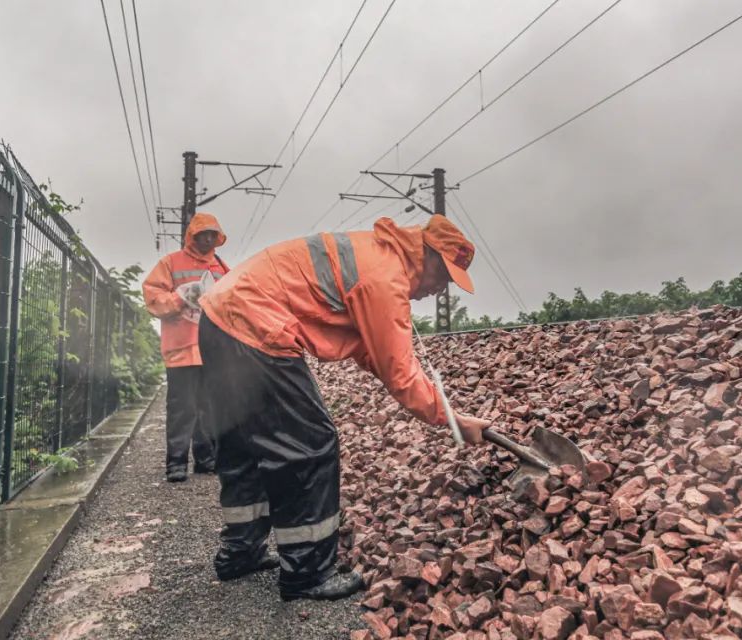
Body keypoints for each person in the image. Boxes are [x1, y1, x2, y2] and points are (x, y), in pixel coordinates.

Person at [197, 214, 491, 600]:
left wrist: (448, 413)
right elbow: (400, 374)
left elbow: (373, 352)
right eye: (445, 278)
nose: (440, 290)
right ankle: (306, 575)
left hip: (219, 318)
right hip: (256, 326)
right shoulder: (386, 278)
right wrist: (450, 419)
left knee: (246, 445)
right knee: (311, 444)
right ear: (429, 258)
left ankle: (240, 554)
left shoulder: (377, 255)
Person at [143, 213, 230, 483]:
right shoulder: (171, 263)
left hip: (210, 348)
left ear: (217, 237)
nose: (207, 239)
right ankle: (176, 463)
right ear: (191, 236)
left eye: (211, 234)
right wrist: (180, 298)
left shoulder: (220, 267)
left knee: (208, 408)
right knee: (182, 408)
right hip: (181, 347)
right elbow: (153, 298)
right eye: (202, 234)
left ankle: (206, 461)